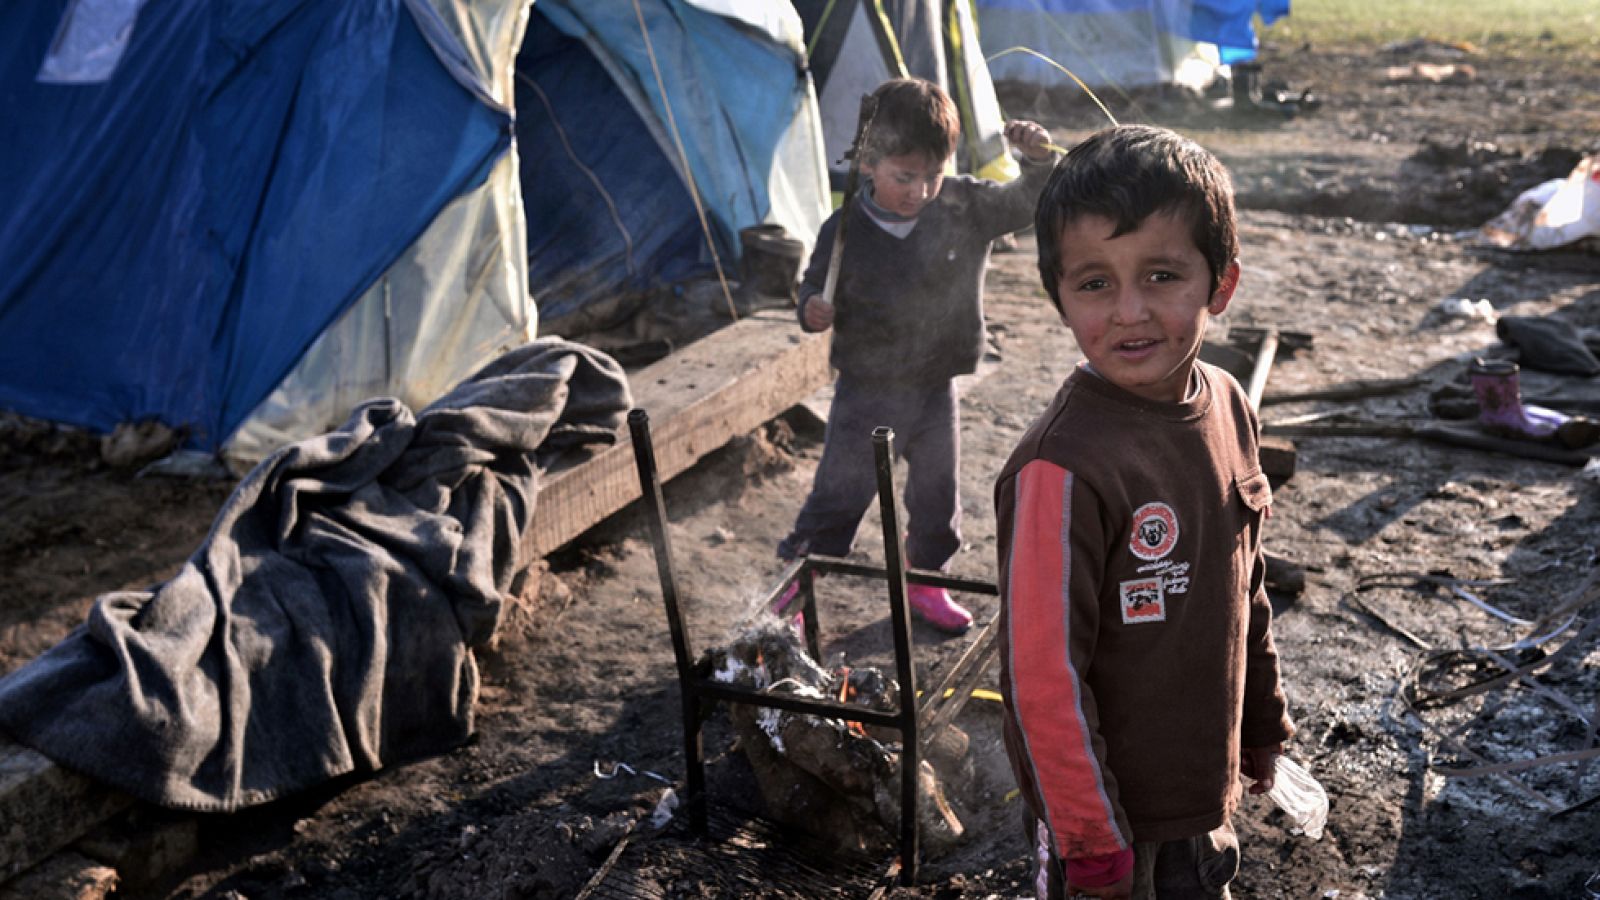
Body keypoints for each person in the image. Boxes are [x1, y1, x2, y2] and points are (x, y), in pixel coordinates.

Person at [993, 124, 1295, 898]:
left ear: (1220, 286)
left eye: (1161, 275)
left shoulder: (1228, 406)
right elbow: (1043, 680)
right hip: (1109, 831)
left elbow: (1245, 584)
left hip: (1203, 798)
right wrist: (1090, 841)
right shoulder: (1059, 469)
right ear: (1058, 298)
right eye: (1094, 283)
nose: (1129, 311)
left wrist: (1261, 723)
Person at [774, 77, 1055, 634]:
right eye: (905, 176)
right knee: (839, 493)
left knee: (936, 494)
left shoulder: (963, 204)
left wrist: (1037, 162)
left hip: (933, 384)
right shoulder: (845, 228)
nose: (920, 190)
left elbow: (1025, 204)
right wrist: (811, 308)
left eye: (932, 174)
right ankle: (797, 592)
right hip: (865, 389)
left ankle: (929, 579)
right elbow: (810, 287)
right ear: (871, 162)